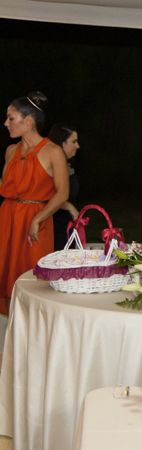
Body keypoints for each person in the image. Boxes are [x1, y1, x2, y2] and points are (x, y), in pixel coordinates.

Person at [0, 91, 69, 303]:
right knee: (4, 274)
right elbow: (6, 186)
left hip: (36, 222)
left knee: (32, 279)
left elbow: (63, 193)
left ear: (28, 121)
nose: (5, 123)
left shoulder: (53, 151)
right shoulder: (11, 150)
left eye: (11, 118)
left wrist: (39, 218)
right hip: (8, 218)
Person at [49, 123, 81, 250]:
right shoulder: (49, 166)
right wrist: (68, 206)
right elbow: (45, 194)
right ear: (61, 143)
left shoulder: (68, 164)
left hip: (68, 227)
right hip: (54, 227)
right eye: (74, 141)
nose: (78, 146)